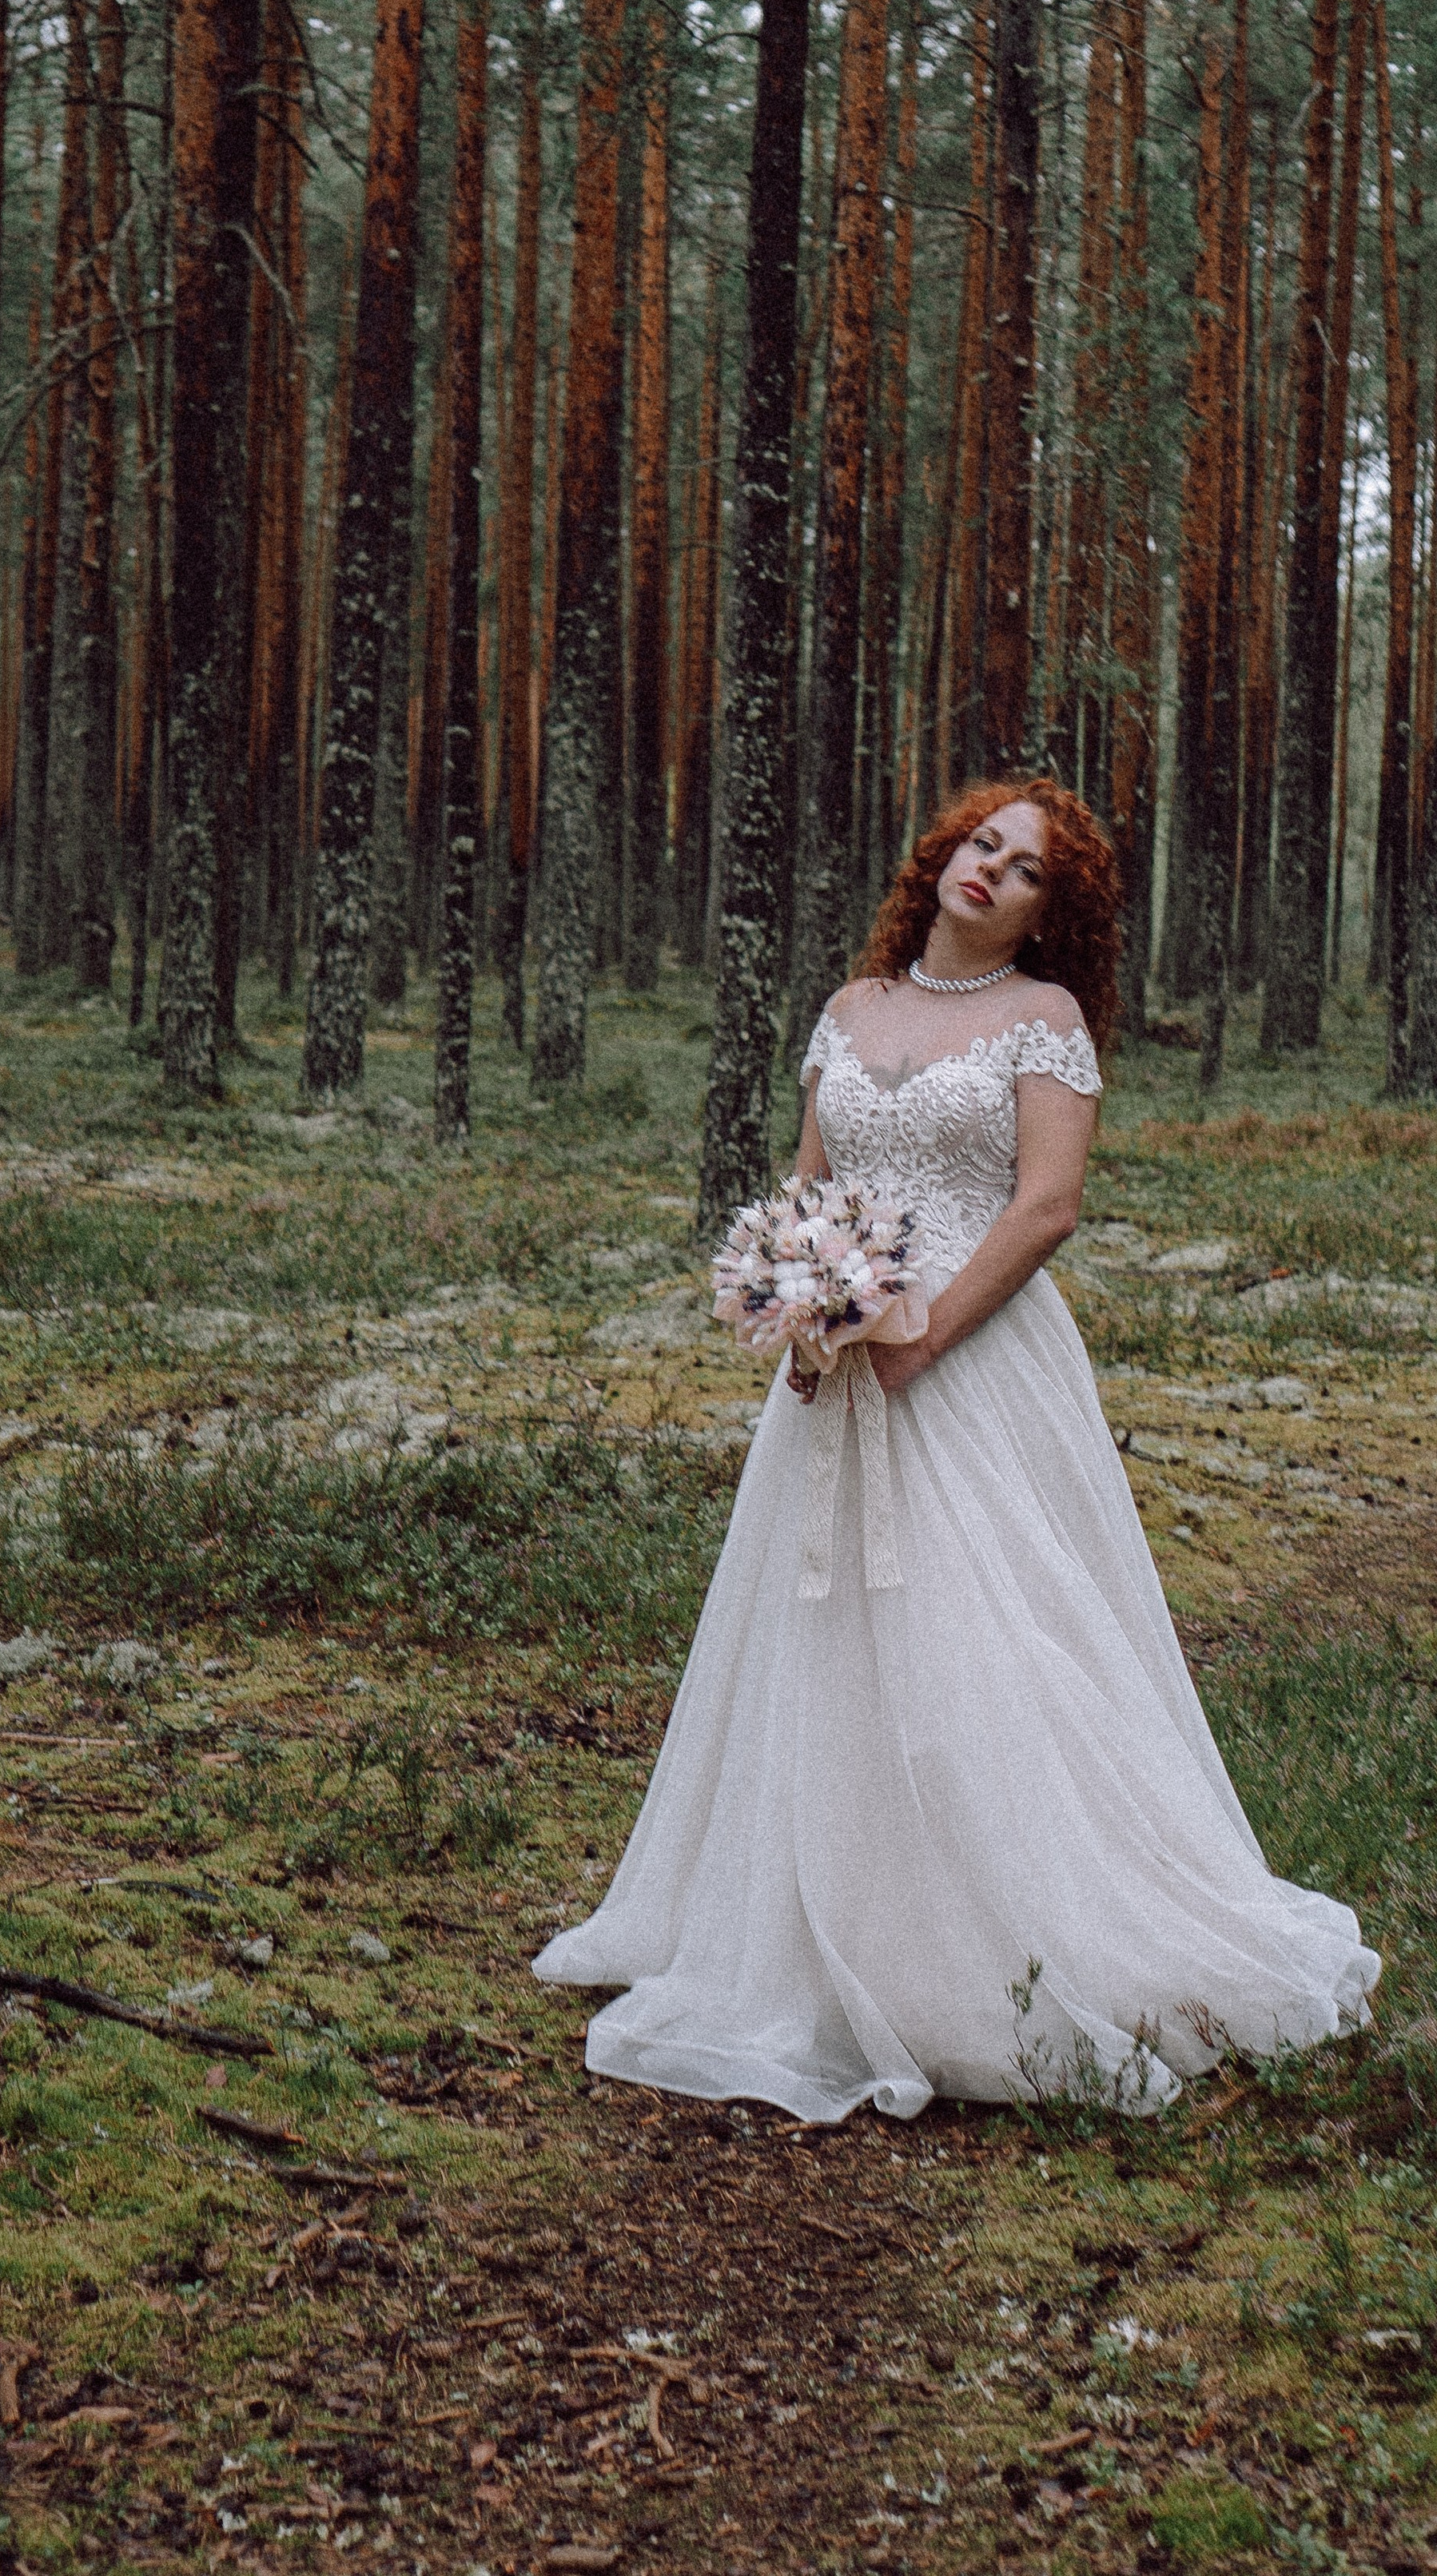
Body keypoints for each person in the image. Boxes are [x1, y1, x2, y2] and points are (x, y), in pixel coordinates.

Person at [535, 777, 1379, 2123]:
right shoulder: (852, 1011)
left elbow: (1046, 1209)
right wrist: (801, 1304)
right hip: (839, 1361)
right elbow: (808, 1183)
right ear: (944, 855)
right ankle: (813, 1925)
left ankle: (1001, 1936)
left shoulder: (1041, 1026)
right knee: (823, 1630)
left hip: (976, 1360)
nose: (992, 870)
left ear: (1054, 914)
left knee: (985, 1632)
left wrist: (923, 1338)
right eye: (984, 844)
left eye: (1028, 870)